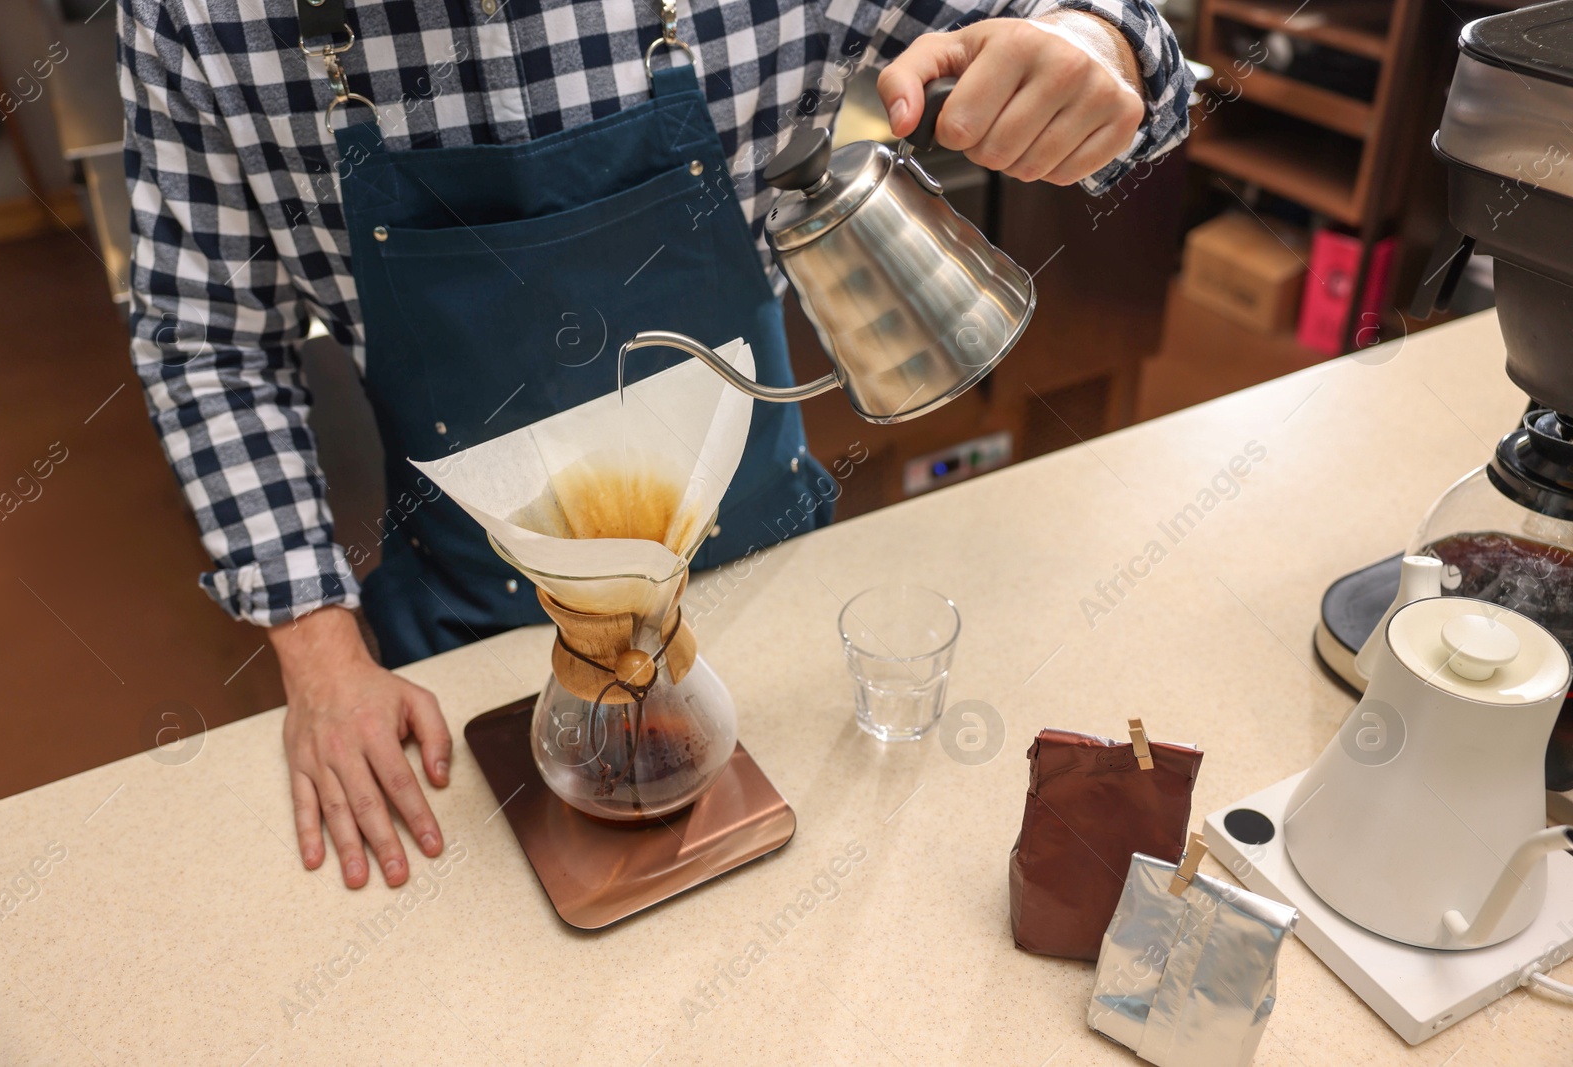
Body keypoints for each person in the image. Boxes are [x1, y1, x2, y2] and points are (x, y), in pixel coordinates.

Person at [121, 0, 1192, 889]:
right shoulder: (206, 19)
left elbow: (1137, 70)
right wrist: (318, 654)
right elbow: (206, 336)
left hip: (775, 592)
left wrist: (1095, 50)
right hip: (476, 633)